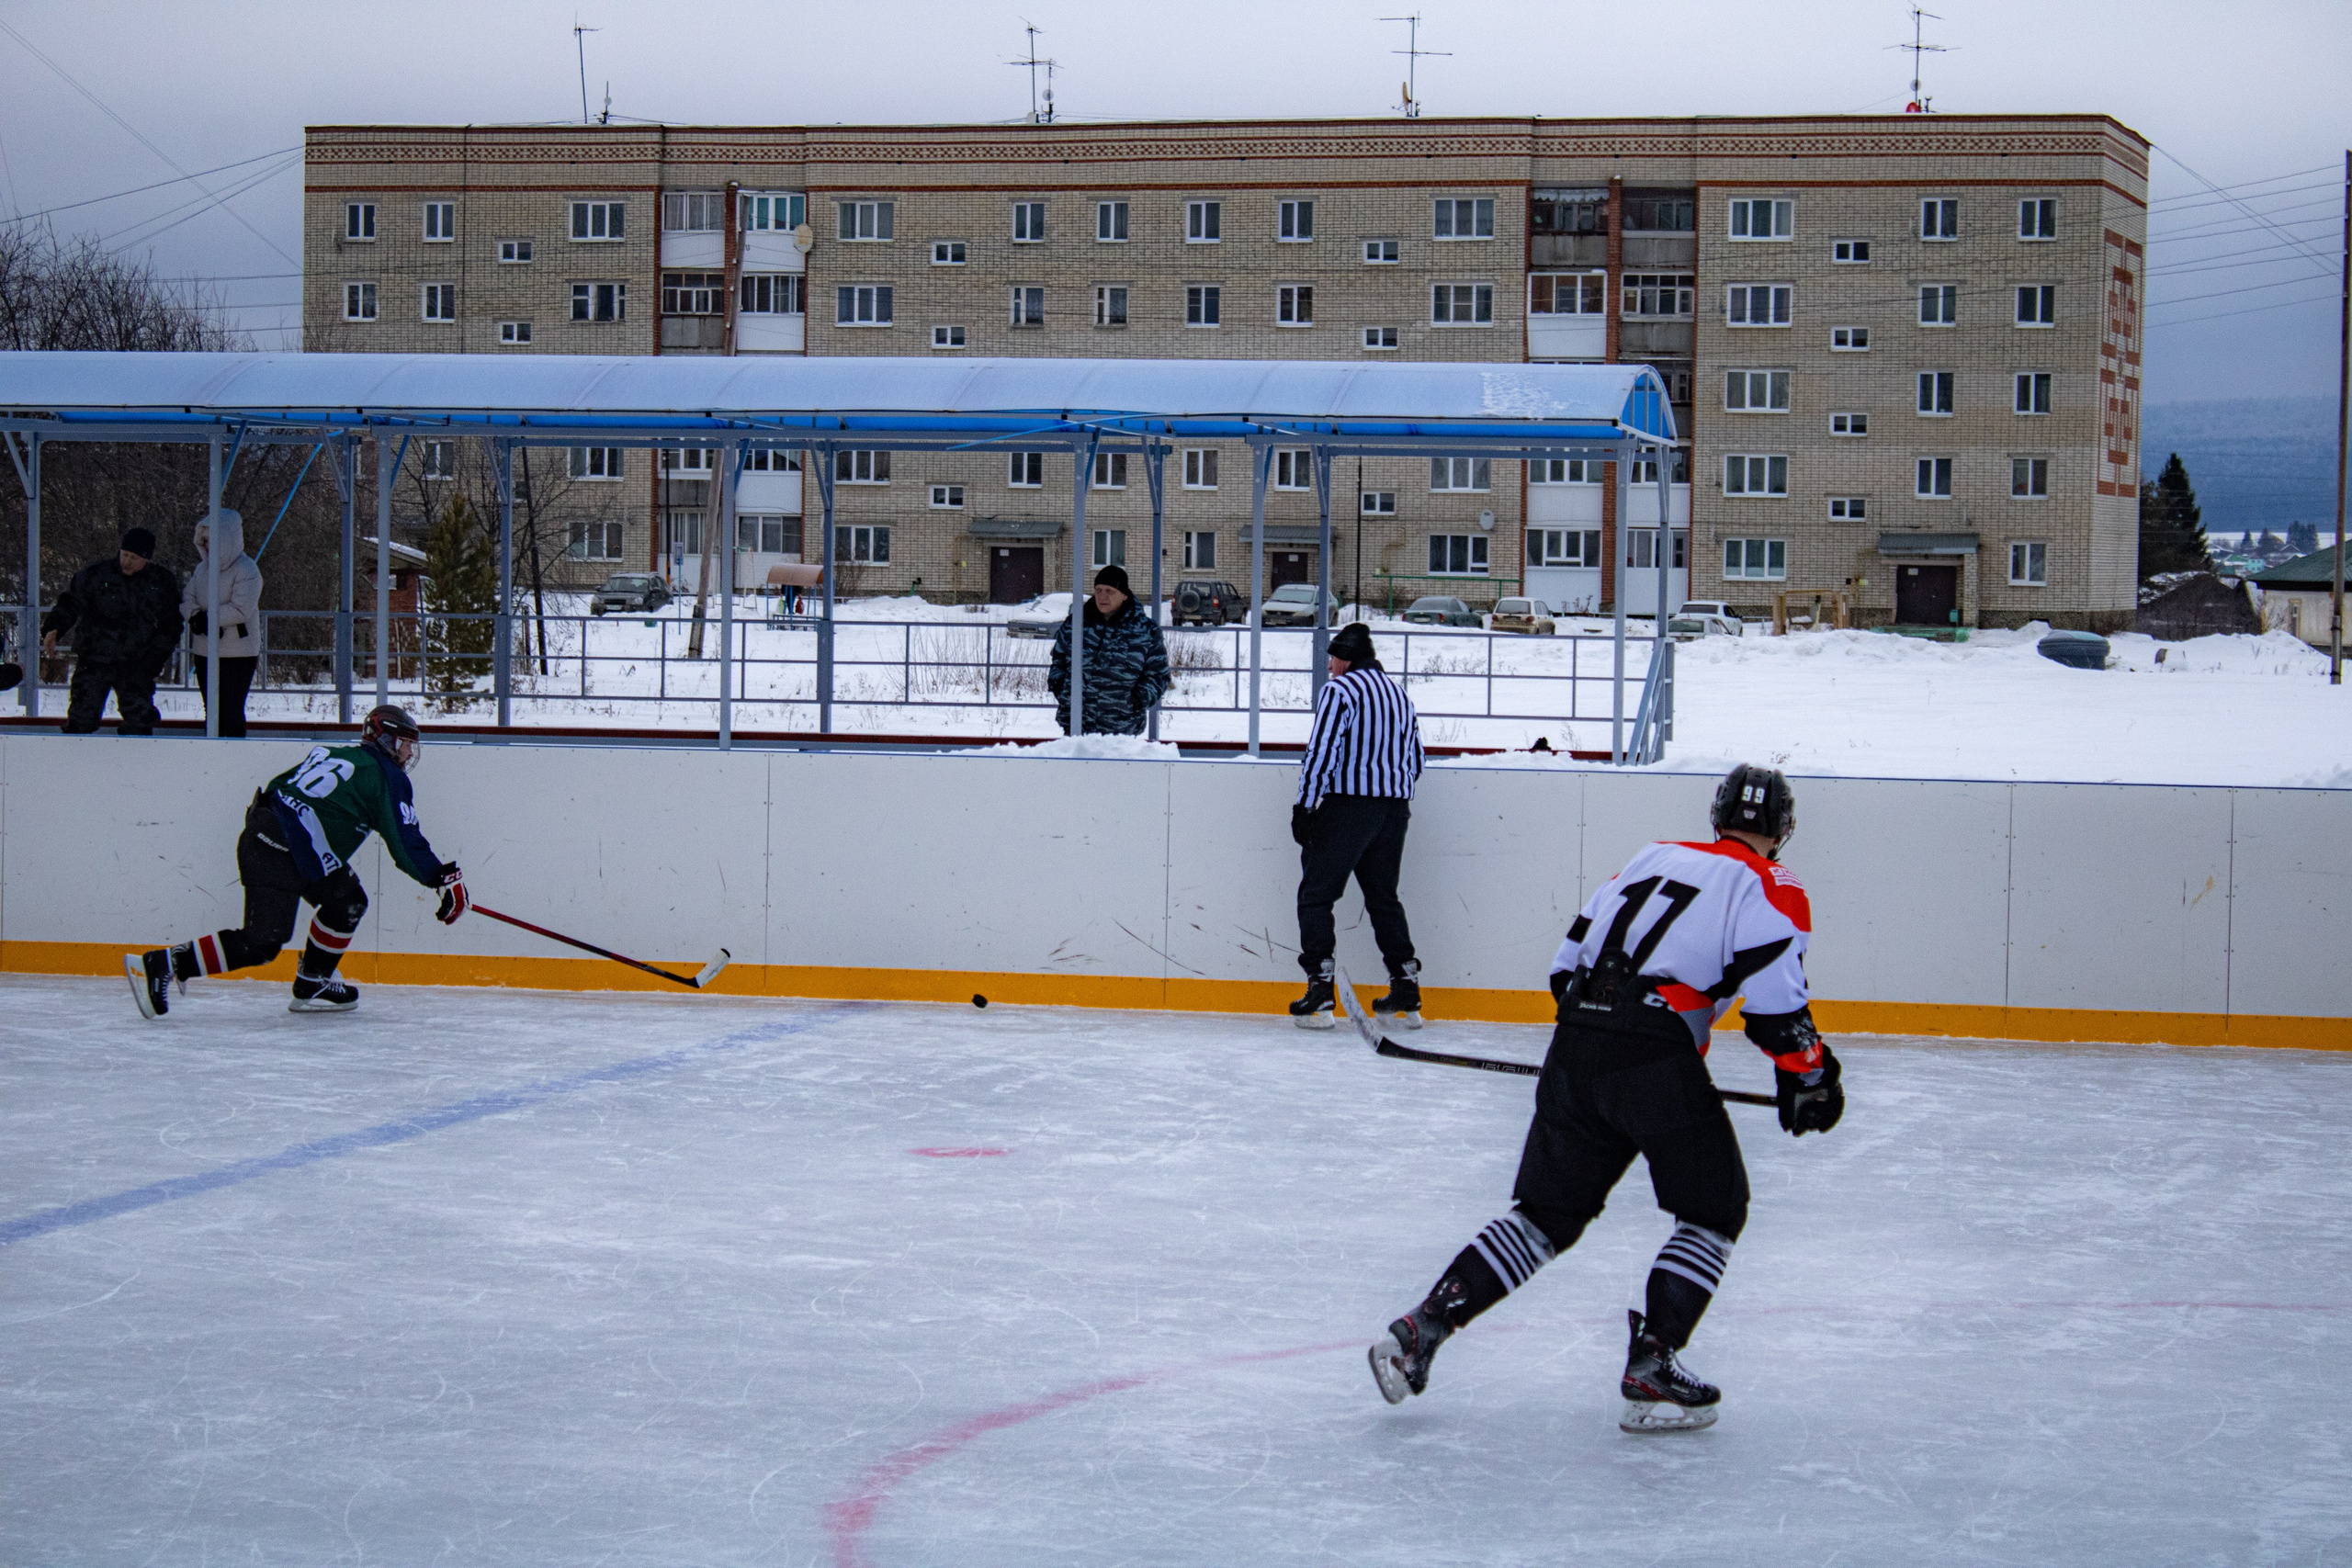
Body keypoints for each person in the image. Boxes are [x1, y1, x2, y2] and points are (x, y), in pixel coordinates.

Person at [1366, 764, 1845, 1434]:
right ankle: (1653, 1364)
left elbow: (1565, 968)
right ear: (1785, 831)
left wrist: (1605, 1035)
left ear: (1715, 815)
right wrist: (1811, 1078)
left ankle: (1423, 1328)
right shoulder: (1771, 883)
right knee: (1713, 1208)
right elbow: (1776, 1007)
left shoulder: (1651, 856)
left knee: (1543, 1215)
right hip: (1654, 1055)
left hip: (1579, 1039)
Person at [125, 705, 469, 1019]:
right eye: (406, 743)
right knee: (262, 943)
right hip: (280, 847)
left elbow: (280, 787)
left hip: (283, 838)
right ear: (388, 740)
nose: (409, 753)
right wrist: (442, 879)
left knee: (348, 901)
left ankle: (313, 979)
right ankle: (166, 963)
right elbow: (405, 843)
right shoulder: (386, 777)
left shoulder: (339, 755)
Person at [1288, 621, 1424, 1029]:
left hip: (1348, 808)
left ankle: (1320, 991)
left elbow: (1321, 752)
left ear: (1345, 658)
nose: (1329, 667)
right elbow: (1415, 759)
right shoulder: (1399, 695)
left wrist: (1305, 807)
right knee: (1384, 898)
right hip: (1393, 810)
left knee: (1316, 896)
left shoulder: (1340, 691)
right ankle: (1407, 987)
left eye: (1332, 658)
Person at [40, 526, 183, 735]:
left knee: (140, 721)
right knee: (81, 720)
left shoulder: (161, 582)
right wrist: (54, 628)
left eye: (134, 557)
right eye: (124, 554)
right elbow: (70, 603)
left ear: (147, 559)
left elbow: (171, 625)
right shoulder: (96, 574)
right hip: (94, 658)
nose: (126, 561)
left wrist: (153, 659)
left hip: (136, 662)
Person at [1047, 564, 1170, 737]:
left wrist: (1137, 699)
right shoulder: (1075, 625)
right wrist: (1060, 687)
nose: (1102, 596)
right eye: (1098, 590)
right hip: (1075, 725)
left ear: (1124, 595)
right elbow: (1058, 661)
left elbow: (1158, 675)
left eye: (1110, 591)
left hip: (1122, 728)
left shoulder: (1145, 631)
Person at [180, 506, 264, 738]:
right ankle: (212, 751)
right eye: (205, 541)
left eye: (212, 541)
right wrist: (194, 615)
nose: (208, 546)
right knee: (212, 709)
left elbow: (241, 609)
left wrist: (208, 619)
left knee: (231, 709)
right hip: (206, 650)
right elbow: (187, 597)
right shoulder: (201, 570)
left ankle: (234, 753)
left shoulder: (247, 570)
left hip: (239, 654)